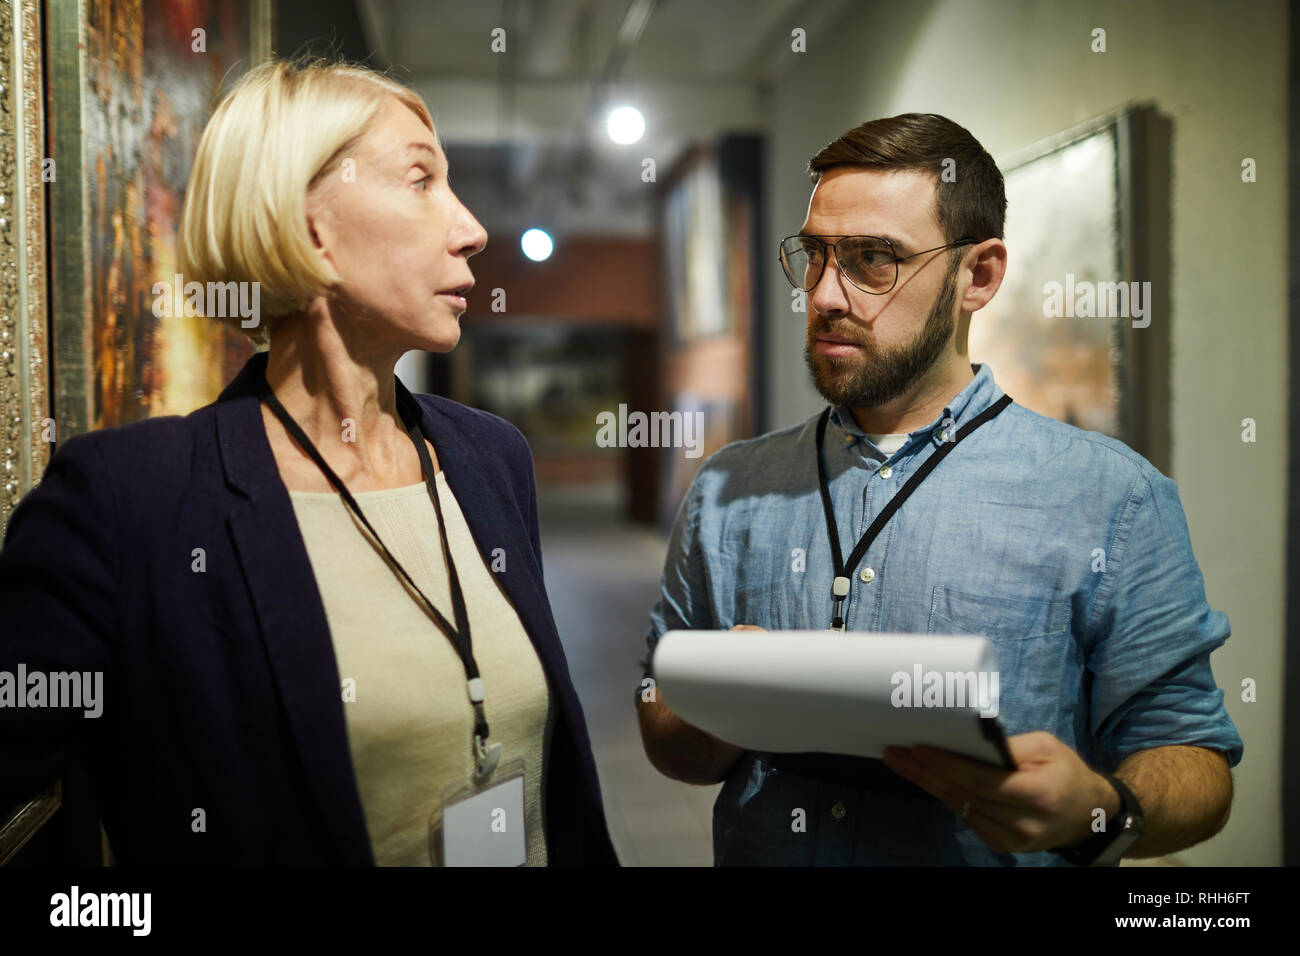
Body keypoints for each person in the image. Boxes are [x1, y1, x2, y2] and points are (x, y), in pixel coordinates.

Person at [0, 57, 618, 866]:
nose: (470, 229)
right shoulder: (129, 501)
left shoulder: (488, 455)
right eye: (422, 181)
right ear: (307, 225)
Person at [637, 113, 1242, 866]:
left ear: (978, 276)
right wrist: (730, 702)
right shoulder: (730, 486)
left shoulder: (1112, 499)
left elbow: (1195, 758)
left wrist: (1103, 809)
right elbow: (663, 727)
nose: (823, 294)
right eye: (816, 255)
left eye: (873, 260)